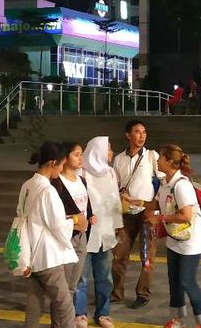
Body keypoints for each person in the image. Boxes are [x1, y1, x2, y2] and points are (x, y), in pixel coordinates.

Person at [20, 141, 88, 328]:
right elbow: (58, 226)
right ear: (52, 163)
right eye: (61, 163)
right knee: (65, 306)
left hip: (30, 254)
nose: (61, 168)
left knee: (34, 304)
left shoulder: (27, 185)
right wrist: (75, 220)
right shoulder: (48, 190)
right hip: (47, 257)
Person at [147, 145, 201, 328]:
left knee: (187, 281)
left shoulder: (181, 185)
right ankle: (177, 320)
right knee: (174, 280)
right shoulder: (165, 183)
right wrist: (131, 201)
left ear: (169, 161)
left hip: (190, 240)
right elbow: (154, 205)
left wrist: (160, 218)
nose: (157, 161)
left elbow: (186, 215)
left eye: (160, 157)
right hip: (174, 237)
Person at [112, 119, 162, 309]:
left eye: (144, 132)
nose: (141, 136)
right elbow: (115, 185)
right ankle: (116, 293)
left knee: (147, 256)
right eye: (137, 132)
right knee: (118, 255)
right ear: (128, 135)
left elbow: (162, 180)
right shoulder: (119, 159)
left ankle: (143, 293)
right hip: (126, 212)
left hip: (147, 212)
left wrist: (155, 207)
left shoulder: (151, 156)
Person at [75, 136, 122, 328]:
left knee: (105, 277)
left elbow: (115, 200)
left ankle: (103, 314)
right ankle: (80, 314)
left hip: (106, 232)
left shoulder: (110, 172)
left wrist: (118, 225)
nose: (111, 153)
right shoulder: (82, 172)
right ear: (98, 151)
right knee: (81, 277)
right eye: (108, 149)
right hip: (86, 234)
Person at [51, 141, 95, 326]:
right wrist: (75, 220)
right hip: (65, 239)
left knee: (72, 285)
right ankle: (59, 323)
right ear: (65, 157)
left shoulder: (81, 180)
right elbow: (55, 214)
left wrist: (90, 216)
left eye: (81, 154)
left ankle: (65, 322)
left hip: (81, 237)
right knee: (63, 289)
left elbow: (85, 206)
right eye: (76, 154)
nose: (80, 158)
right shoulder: (56, 184)